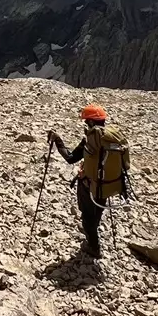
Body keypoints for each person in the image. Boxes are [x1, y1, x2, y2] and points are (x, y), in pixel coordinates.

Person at [47, 104, 130, 260]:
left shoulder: (90, 140)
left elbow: (70, 158)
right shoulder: (111, 138)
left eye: (87, 122)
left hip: (89, 184)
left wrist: (58, 140)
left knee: (87, 217)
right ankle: (93, 236)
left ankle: (93, 247)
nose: (86, 124)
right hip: (106, 184)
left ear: (91, 123)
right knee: (96, 212)